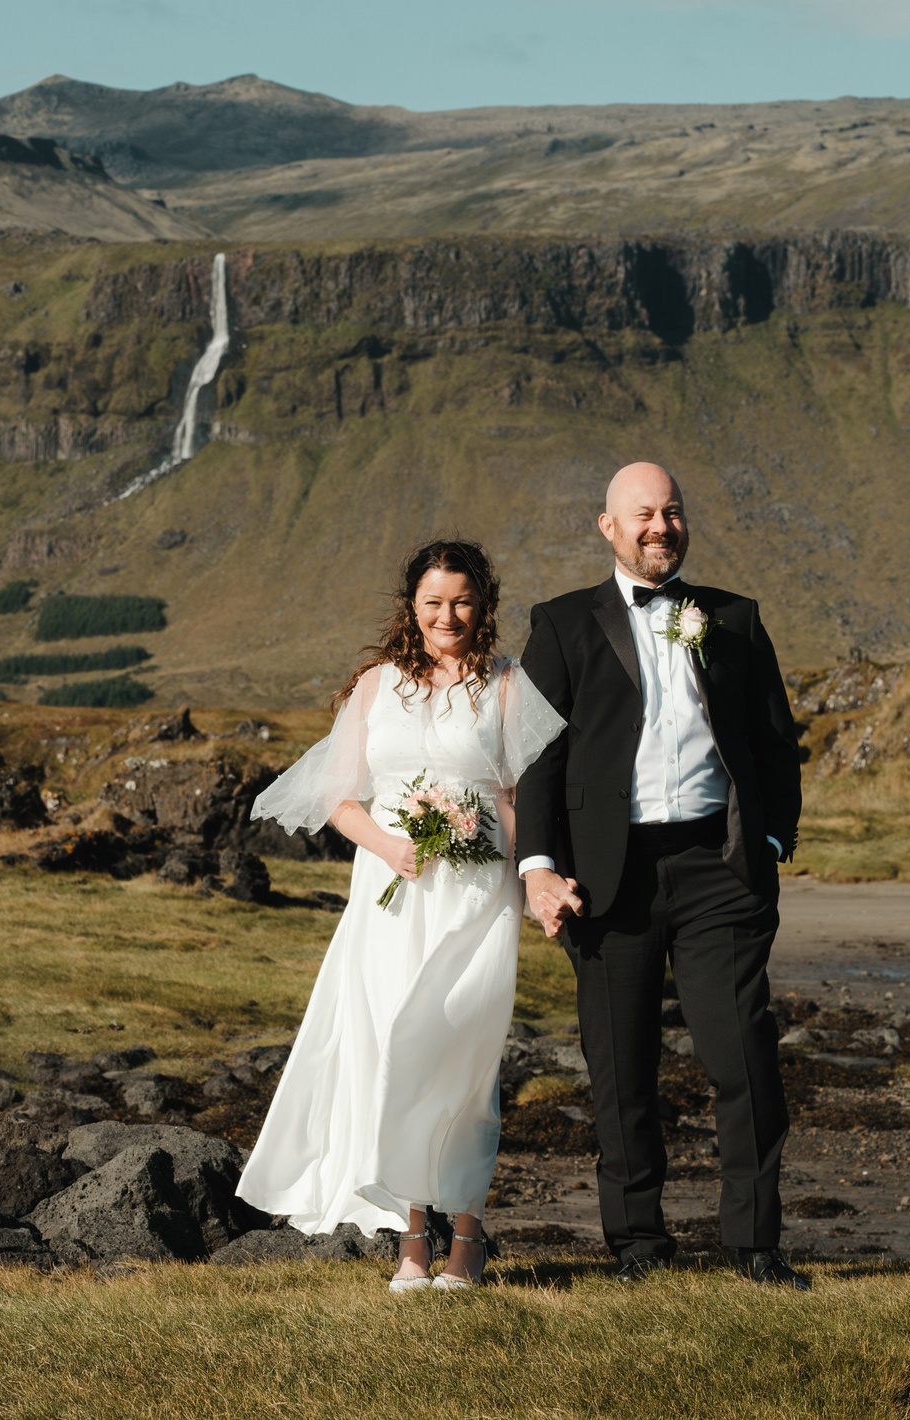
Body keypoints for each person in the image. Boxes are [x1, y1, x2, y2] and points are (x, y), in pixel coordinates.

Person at [236, 539, 565, 1292]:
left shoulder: (510, 684)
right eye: (432, 603)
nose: (447, 616)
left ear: (482, 605)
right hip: (390, 897)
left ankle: (468, 1243)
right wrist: (389, 843)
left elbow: (520, 800)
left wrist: (528, 885)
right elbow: (338, 797)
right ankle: (413, 1243)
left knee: (463, 1057)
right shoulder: (376, 685)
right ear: (409, 608)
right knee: (396, 1053)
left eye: (461, 602)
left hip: (475, 897)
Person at [515, 462, 810, 1288]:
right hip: (609, 879)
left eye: (672, 512)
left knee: (743, 1053)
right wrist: (539, 868)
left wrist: (774, 841)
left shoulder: (736, 619)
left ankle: (757, 1245)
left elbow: (775, 739)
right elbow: (536, 758)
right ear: (607, 526)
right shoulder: (563, 624)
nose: (660, 526)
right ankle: (638, 1246)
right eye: (642, 514)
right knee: (621, 1067)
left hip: (719, 867)